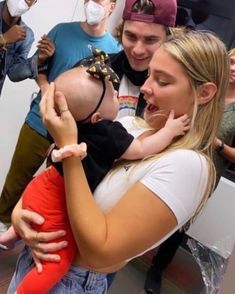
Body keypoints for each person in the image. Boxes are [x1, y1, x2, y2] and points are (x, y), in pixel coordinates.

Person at [7, 30, 229, 294]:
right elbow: (54, 181)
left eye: (163, 81)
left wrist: (69, 147)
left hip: (70, 280)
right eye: (149, 75)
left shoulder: (190, 166)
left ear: (204, 93)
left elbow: (99, 252)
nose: (145, 88)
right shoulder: (128, 126)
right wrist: (20, 214)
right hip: (34, 261)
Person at [0, 0, 121, 232]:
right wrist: (46, 85)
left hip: (75, 137)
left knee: (54, 193)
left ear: (112, 6)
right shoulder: (62, 31)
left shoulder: (114, 51)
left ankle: (30, 237)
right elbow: (35, 68)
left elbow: (106, 96)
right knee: (14, 184)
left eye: (98, 0)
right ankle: (3, 224)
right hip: (39, 121)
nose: (90, 4)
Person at [144, 47, 235, 294]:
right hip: (168, 157)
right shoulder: (200, 91)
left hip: (201, 177)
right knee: (147, 206)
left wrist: (217, 143)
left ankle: (157, 269)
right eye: (232, 61)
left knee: (177, 225)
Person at [0, 0, 54, 97]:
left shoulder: (26, 35)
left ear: (34, 2)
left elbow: (13, 73)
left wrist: (38, 60)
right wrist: (3, 39)